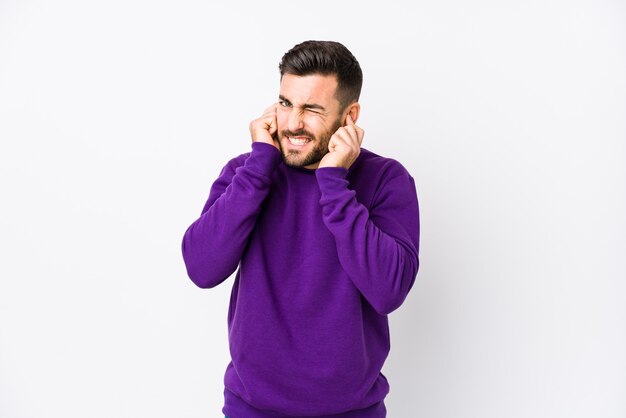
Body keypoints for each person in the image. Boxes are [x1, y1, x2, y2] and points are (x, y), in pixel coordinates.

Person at [181, 40, 420, 418]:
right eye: (285, 103)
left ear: (349, 115)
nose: (293, 122)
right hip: (250, 410)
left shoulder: (386, 180)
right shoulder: (249, 173)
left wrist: (334, 182)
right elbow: (202, 268)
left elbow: (388, 290)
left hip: (352, 412)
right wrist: (260, 166)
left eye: (311, 109)